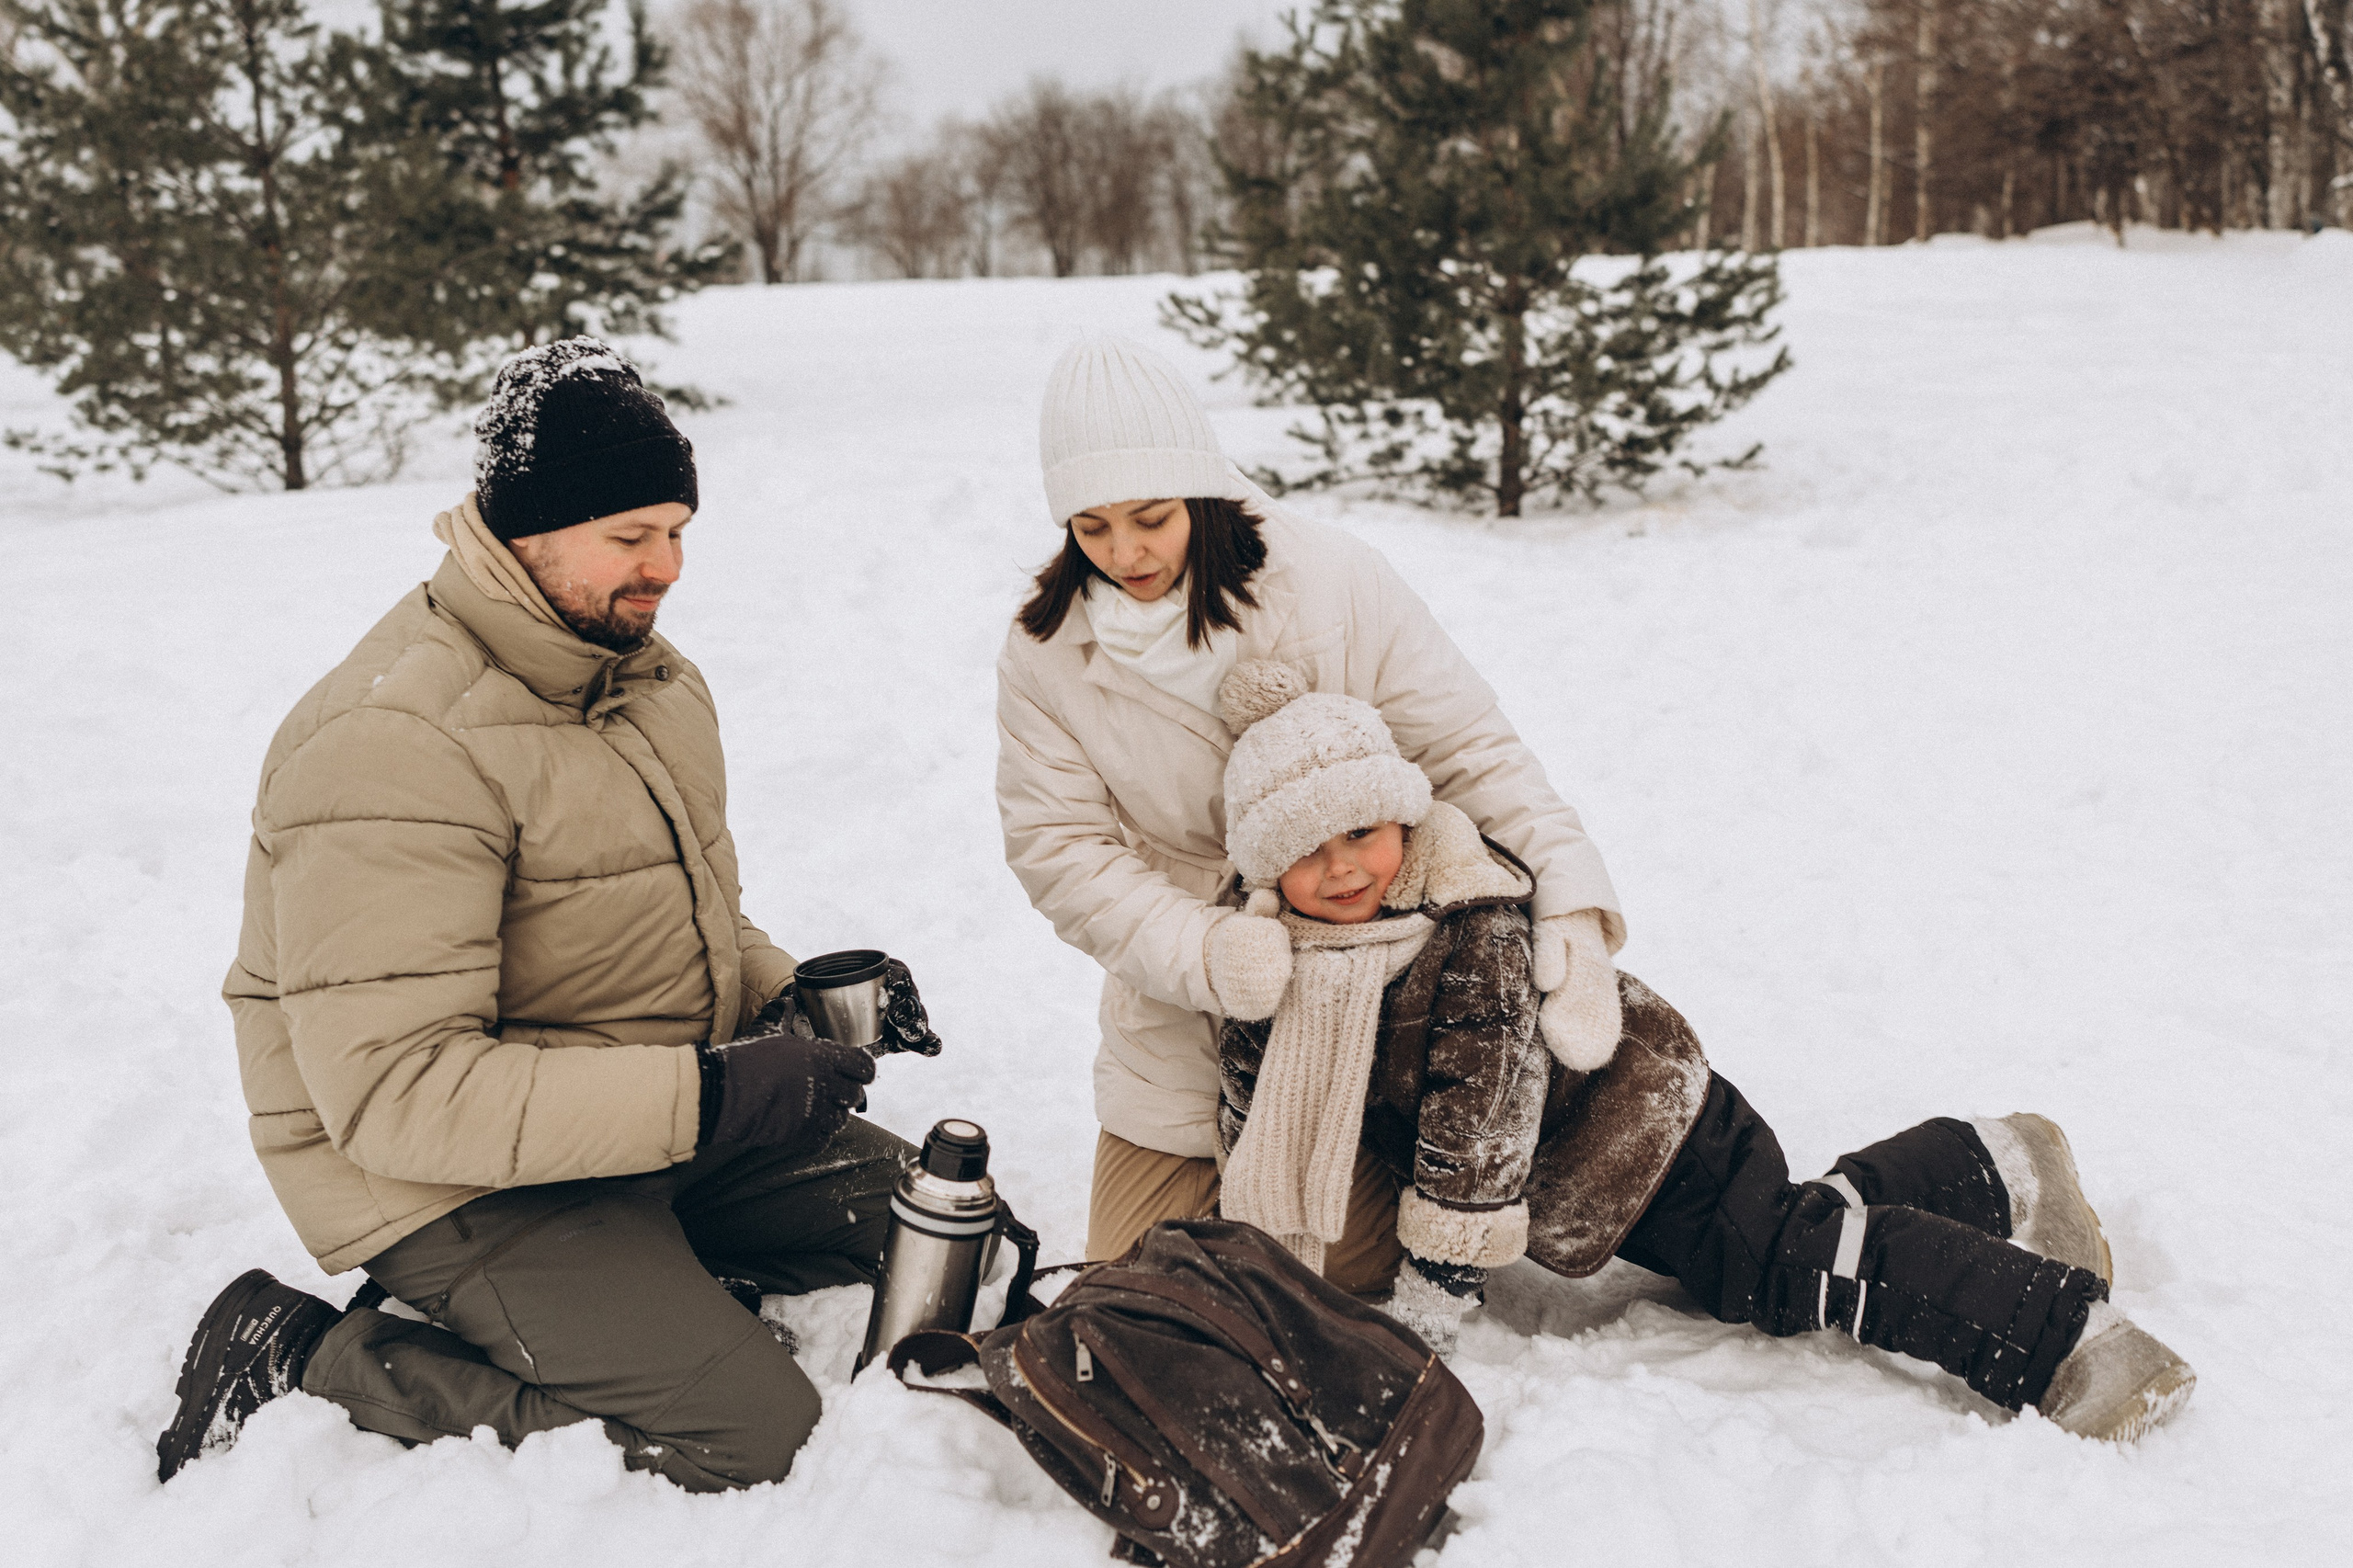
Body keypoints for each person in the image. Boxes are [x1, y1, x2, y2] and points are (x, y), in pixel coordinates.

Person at [156, 339, 939, 1492]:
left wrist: (784, 996)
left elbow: (669, 920)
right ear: (529, 528)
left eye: (678, 530)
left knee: (943, 1230)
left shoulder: (638, 680)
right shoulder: (394, 743)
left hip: (638, 1122)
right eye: (632, 535)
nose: (667, 565)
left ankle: (640, 1288)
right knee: (753, 1431)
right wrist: (717, 1093)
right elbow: (395, 1094)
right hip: (448, 1181)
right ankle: (305, 1357)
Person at [1205, 659, 2196, 1443]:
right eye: (1306, 848)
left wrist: (1428, 1311)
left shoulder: (1471, 933)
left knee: (1782, 1264)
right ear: (1261, 861)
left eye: (1363, 831)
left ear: (1405, 817)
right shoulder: (1270, 960)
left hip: (1644, 1121)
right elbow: (1252, 1108)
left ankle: (2071, 1341)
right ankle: (1997, 1160)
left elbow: (1482, 1125)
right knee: (1784, 1226)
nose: (1342, 868)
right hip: (1594, 1165)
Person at [996, 335, 1627, 1278]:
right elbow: (1060, 847)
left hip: (1365, 991)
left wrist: (1568, 889)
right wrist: (1206, 953)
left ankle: (1416, 1195)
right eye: (1090, 527)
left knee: (1309, 1273)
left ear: (1200, 492)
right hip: (1181, 1007)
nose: (1123, 552)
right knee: (1137, 1279)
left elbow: (1466, 749)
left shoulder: (1333, 580)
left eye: (1151, 517)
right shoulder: (1044, 651)